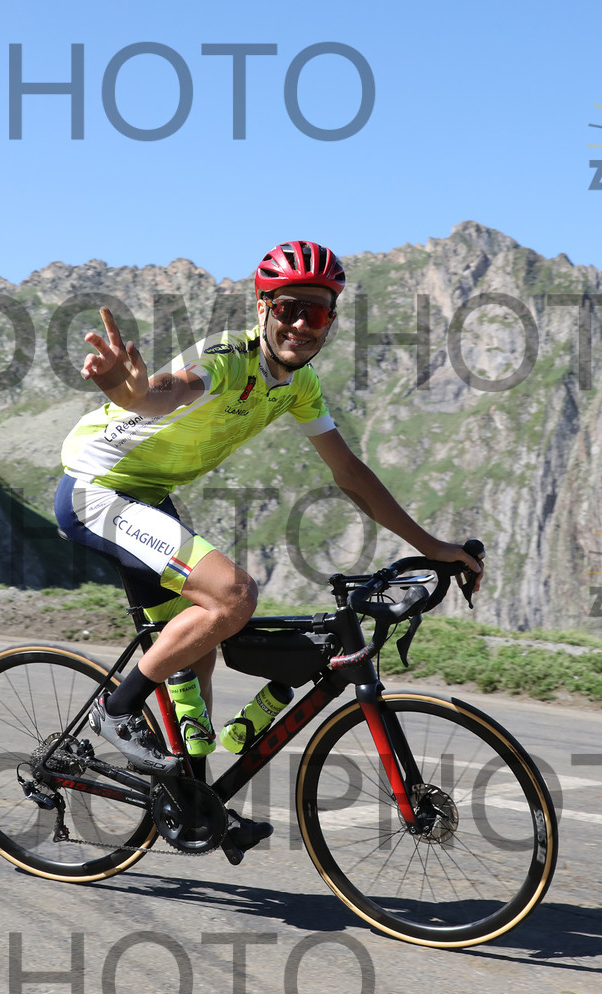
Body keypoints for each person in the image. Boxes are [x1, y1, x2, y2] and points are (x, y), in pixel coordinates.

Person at [54, 240, 481, 860]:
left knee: (194, 653)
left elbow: (350, 474)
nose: (302, 325)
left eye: (318, 312)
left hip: (148, 495)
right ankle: (115, 711)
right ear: (263, 309)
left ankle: (194, 803)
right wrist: (130, 391)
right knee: (233, 596)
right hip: (97, 490)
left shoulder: (299, 385)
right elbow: (165, 392)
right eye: (288, 309)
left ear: (331, 320)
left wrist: (433, 547)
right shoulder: (228, 359)